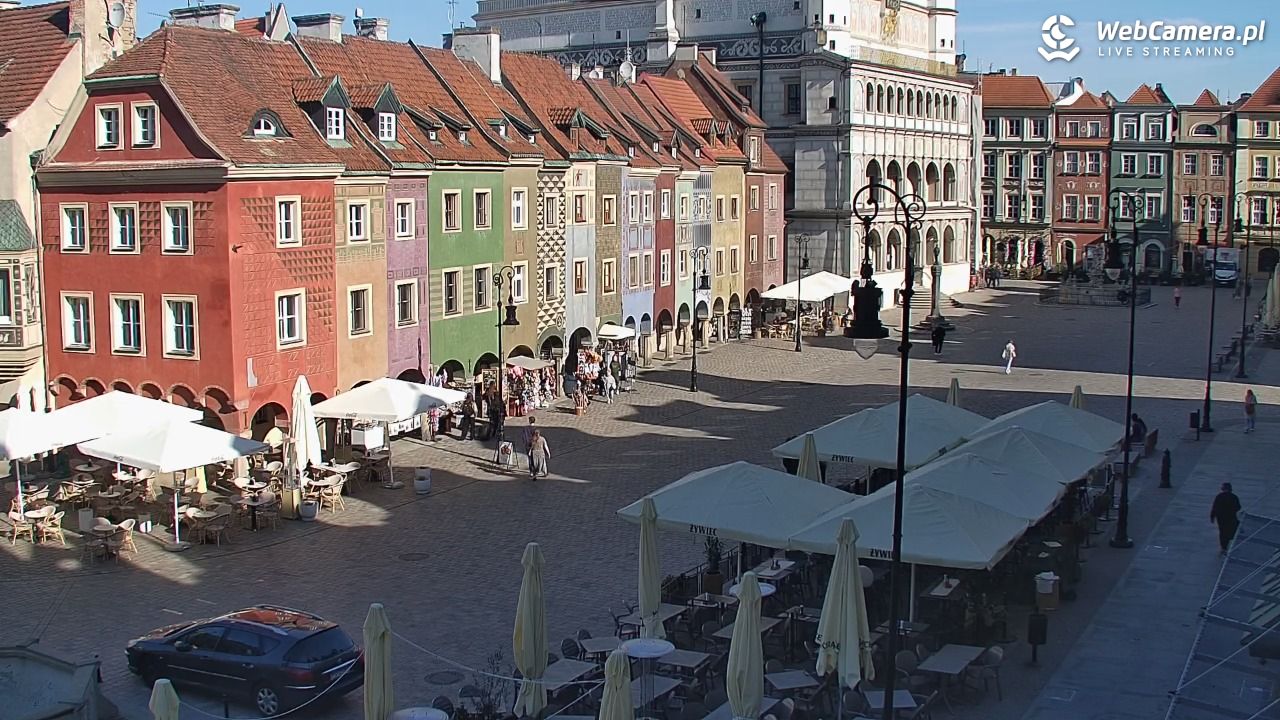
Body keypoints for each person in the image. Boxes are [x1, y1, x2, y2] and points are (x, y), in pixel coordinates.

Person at [1210, 482, 1242, 555]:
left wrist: (1212, 517)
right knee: (1233, 529)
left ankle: (1224, 548)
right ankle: (1232, 542)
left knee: (1222, 532)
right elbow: (1238, 507)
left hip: (1221, 518)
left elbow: (1214, 507)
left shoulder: (1219, 496)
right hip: (1231, 517)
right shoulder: (1234, 497)